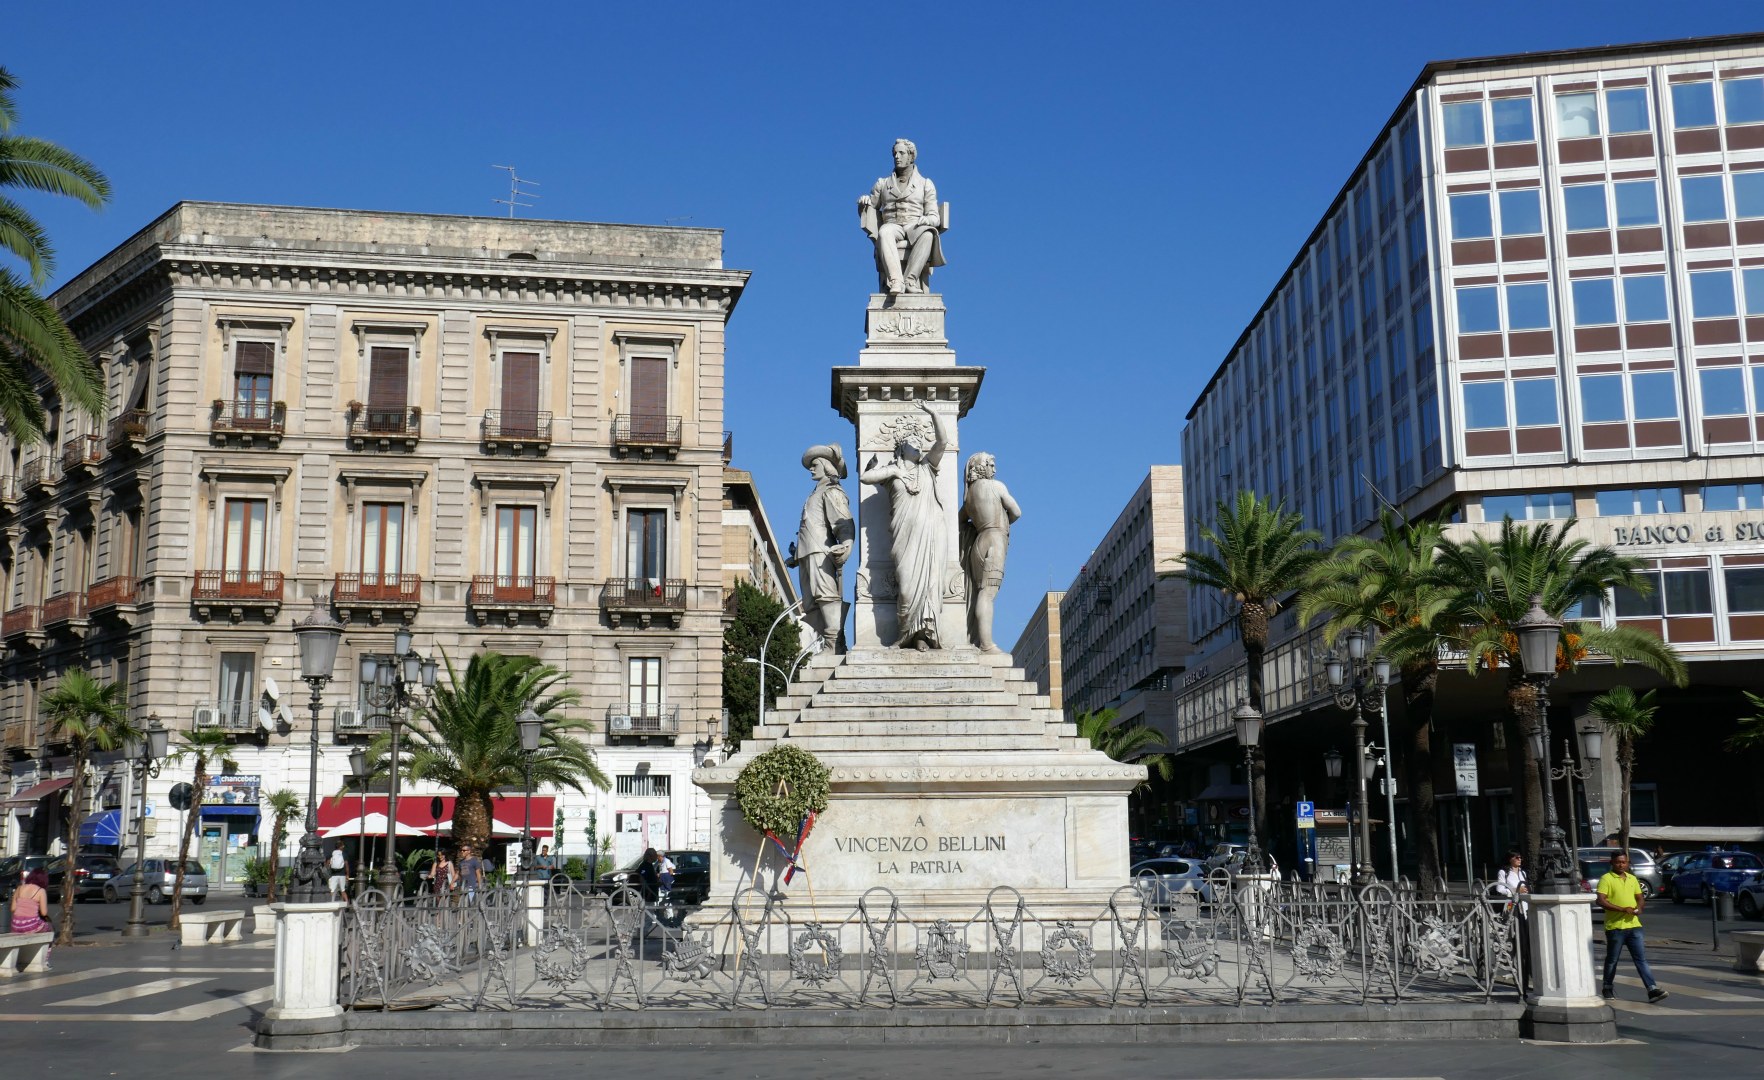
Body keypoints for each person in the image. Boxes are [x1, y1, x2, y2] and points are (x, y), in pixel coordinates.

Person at [860, 401, 950, 651]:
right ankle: (905, 633)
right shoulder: (892, 472)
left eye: (920, 441)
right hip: (905, 537)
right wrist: (896, 473)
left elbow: (942, 442)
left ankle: (923, 635)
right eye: (913, 441)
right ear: (901, 447)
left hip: (931, 533)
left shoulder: (927, 468)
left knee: (930, 584)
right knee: (908, 586)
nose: (919, 444)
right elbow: (865, 477)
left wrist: (934, 413)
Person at [786, 444, 854, 652]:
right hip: (807, 553)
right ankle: (831, 640)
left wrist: (846, 543)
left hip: (821, 552)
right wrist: (796, 556)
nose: (811, 469)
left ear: (826, 466)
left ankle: (834, 643)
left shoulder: (832, 491)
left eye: (815, 464)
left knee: (826, 596)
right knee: (811, 602)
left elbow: (843, 522)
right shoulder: (816, 492)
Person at [857, 138, 947, 295]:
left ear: (911, 156)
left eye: (901, 153)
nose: (897, 157)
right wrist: (864, 202)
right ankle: (896, 281)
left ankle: (910, 280)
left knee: (928, 234)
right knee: (884, 232)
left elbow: (934, 216)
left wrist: (927, 220)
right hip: (893, 225)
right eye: (895, 154)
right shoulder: (882, 183)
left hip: (915, 225)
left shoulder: (925, 184)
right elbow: (872, 205)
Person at [958, 451, 1022, 652]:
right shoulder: (997, 486)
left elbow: (959, 521)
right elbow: (1017, 512)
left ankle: (979, 640)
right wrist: (1004, 523)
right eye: (991, 465)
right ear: (980, 467)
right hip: (995, 539)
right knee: (988, 594)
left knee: (980, 593)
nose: (994, 469)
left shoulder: (968, 497)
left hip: (978, 541)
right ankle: (986, 644)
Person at [1598, 851, 1667, 1002]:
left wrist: (1640, 908)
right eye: (1618, 862)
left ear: (1628, 863)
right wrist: (1622, 909)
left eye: (1624, 862)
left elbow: (1639, 897)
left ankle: (1652, 989)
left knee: (1641, 959)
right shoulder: (1606, 878)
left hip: (1634, 926)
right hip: (1615, 927)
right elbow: (1601, 900)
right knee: (1612, 959)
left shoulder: (1632, 878)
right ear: (1612, 863)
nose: (1621, 865)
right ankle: (1607, 987)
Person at [1492, 851, 1530, 991]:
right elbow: (1500, 888)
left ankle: (1526, 971)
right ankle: (1516, 968)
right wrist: (1515, 890)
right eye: (1517, 857)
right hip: (1513, 907)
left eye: (1521, 857)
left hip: (1524, 907)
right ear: (1510, 859)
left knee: (1526, 938)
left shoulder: (1523, 873)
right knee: (1516, 938)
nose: (1520, 859)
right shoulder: (1504, 872)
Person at [10, 868, 51, 965]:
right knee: (49, 930)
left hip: (16, 924)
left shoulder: (20, 888)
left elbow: (12, 909)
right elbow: (44, 913)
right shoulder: (41, 891)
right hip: (31, 924)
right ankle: (45, 960)